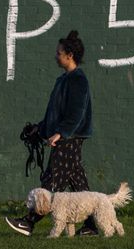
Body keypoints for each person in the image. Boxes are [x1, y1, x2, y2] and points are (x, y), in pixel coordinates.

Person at [5, 30, 98, 237]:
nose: (56, 56)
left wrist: (62, 133)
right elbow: (54, 113)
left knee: (51, 181)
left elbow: (77, 112)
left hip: (70, 139)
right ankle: (91, 225)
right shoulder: (62, 80)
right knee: (78, 182)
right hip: (64, 137)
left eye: (59, 52)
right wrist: (41, 129)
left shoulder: (78, 80)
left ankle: (29, 222)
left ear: (69, 55)